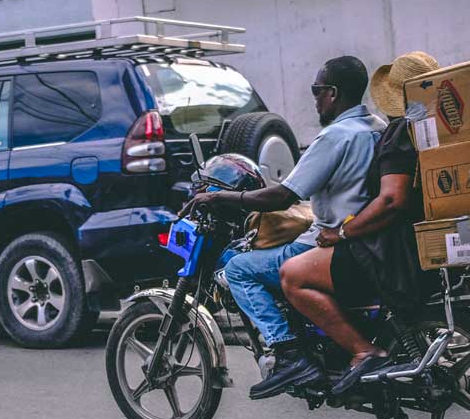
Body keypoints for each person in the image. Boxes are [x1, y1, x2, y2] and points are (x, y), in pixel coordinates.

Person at [180, 56, 384, 399]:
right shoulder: (375, 126)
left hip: (334, 244)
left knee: (240, 268)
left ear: (332, 93)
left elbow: (281, 195)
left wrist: (223, 199)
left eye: (316, 90)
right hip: (367, 237)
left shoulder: (336, 137)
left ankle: (289, 353)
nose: (314, 98)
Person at [279, 51, 441, 394]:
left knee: (292, 274)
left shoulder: (400, 133)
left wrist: (342, 231)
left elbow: (391, 200)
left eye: (317, 90)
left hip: (390, 247)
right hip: (412, 238)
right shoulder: (429, 130)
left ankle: (363, 351)